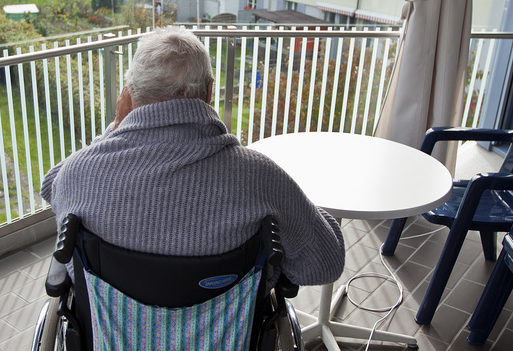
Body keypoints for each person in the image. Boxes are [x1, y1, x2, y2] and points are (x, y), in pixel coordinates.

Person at [41, 26, 345, 286]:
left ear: (129, 96)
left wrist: (116, 128)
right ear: (209, 91)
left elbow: (51, 184)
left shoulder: (80, 173)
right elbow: (326, 264)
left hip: (112, 347)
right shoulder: (259, 176)